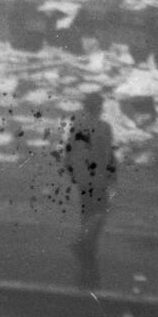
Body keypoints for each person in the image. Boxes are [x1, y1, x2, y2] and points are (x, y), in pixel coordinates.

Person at [61, 91, 118, 287]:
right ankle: (84, 243)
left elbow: (69, 151)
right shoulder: (104, 127)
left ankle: (86, 245)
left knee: (87, 211)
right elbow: (108, 154)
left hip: (83, 176)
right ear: (100, 108)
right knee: (100, 211)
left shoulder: (78, 126)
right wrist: (113, 176)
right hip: (99, 176)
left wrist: (71, 170)